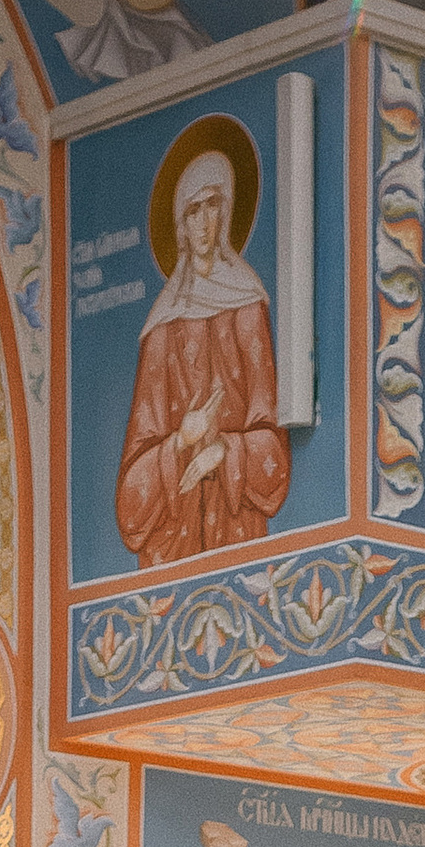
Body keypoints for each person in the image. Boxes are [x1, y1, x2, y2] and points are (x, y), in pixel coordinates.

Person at [115, 137, 290, 565]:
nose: (204, 223)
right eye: (193, 211)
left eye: (212, 205)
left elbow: (273, 443)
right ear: (179, 225)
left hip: (237, 529)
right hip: (174, 541)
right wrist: (180, 442)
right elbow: (129, 496)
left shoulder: (248, 306)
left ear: (227, 211)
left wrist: (224, 452)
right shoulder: (162, 326)